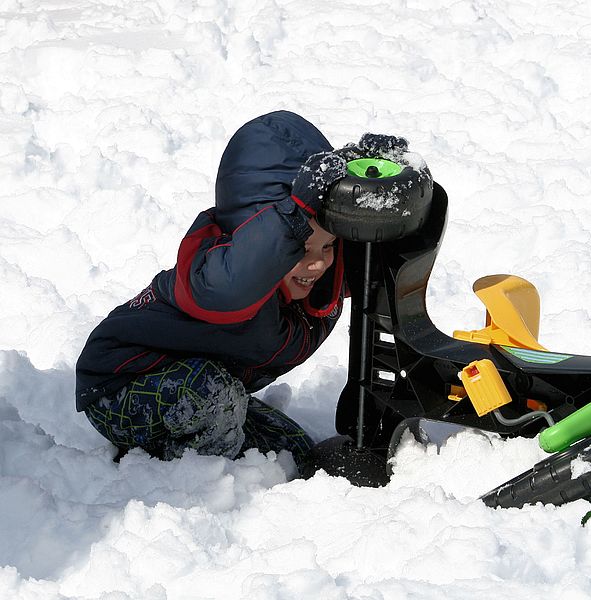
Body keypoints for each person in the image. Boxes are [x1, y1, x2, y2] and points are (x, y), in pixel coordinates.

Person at [75, 110, 408, 466]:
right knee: (212, 395)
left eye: (327, 247)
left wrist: (376, 189)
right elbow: (240, 277)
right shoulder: (215, 274)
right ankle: (182, 480)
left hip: (205, 384)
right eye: (299, 248)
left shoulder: (315, 273)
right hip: (120, 386)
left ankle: (181, 441)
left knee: (293, 451)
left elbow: (374, 254)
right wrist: (292, 217)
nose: (317, 264)